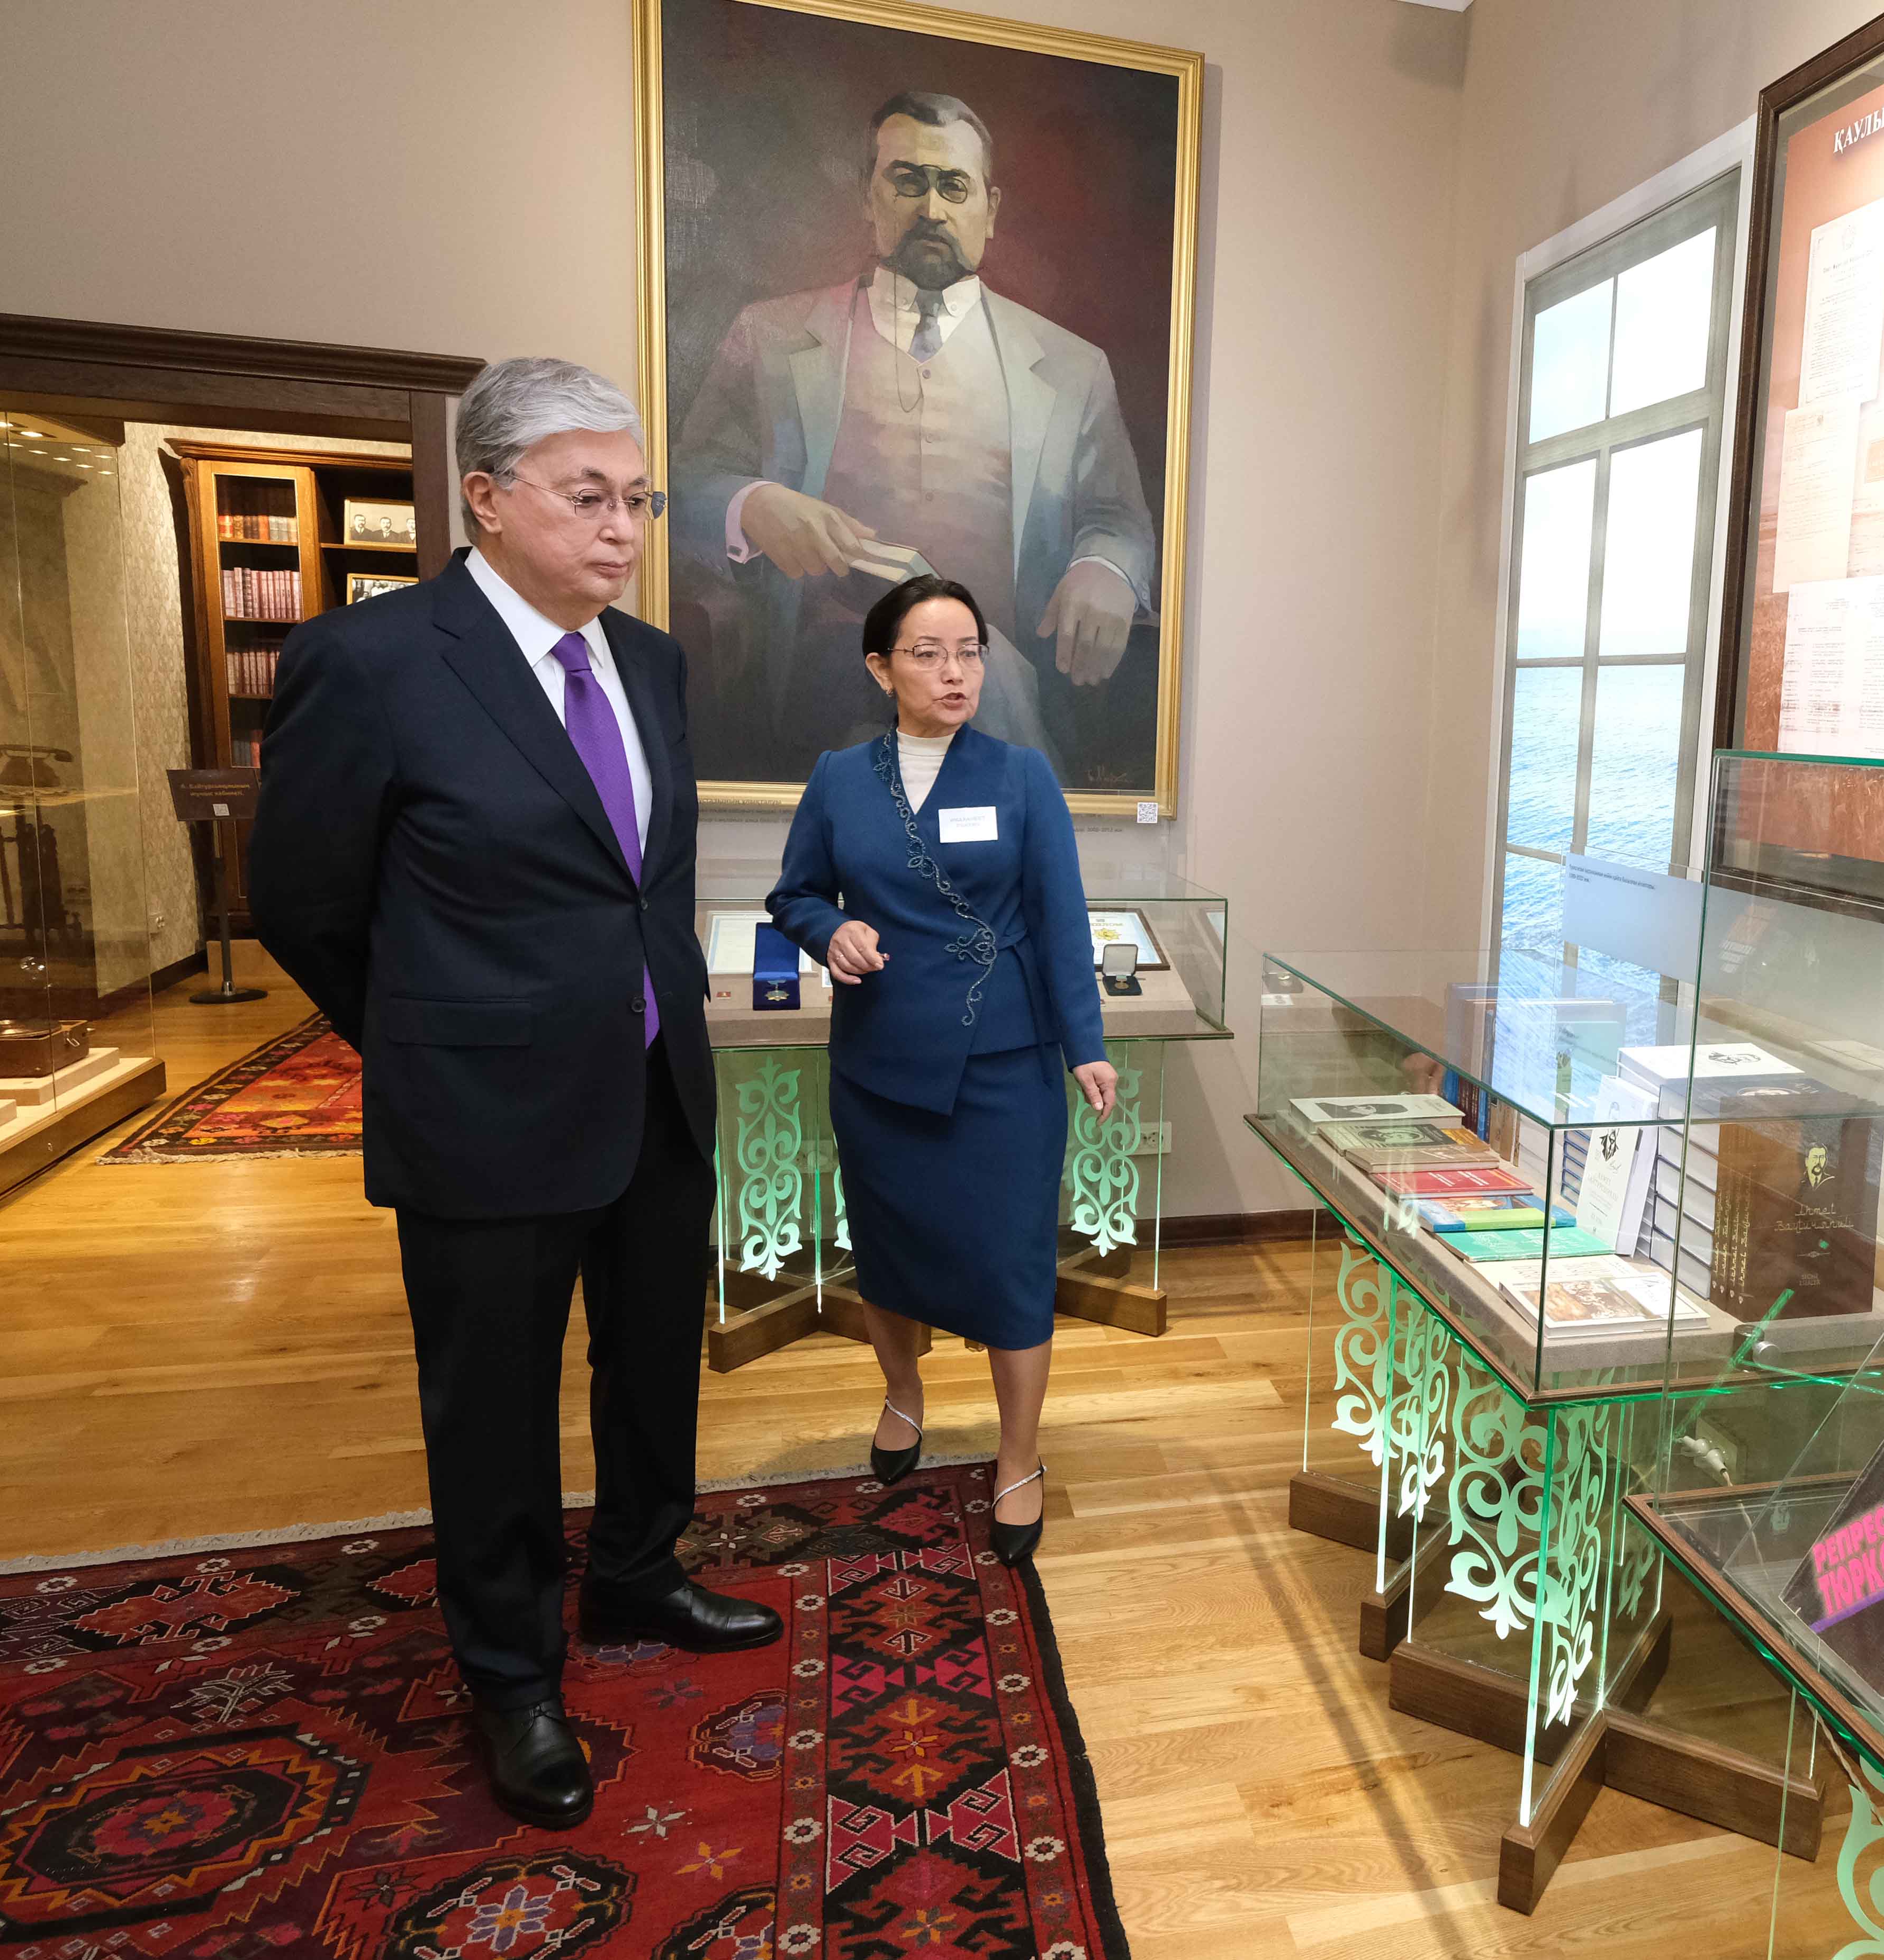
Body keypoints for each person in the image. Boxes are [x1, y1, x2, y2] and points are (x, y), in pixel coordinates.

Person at [251, 357, 778, 1831]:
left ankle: (640, 1571)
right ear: (483, 497)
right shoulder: (372, 660)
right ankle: (510, 1673)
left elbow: (642, 884)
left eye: (639, 501)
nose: (622, 530)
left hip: (654, 1080)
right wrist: (430, 1037)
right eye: (587, 497)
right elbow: (300, 899)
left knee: (654, 1355)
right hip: (481, 1109)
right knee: (491, 1406)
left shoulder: (653, 662)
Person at [767, 573, 1115, 1566]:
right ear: (881, 668)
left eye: (969, 651)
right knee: (890, 1247)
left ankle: (1019, 1456)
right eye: (928, 653)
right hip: (881, 1061)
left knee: (1012, 1261)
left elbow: (1060, 921)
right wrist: (830, 931)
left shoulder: (1021, 776)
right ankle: (903, 1394)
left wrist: (1085, 1045)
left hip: (1004, 1064)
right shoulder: (840, 778)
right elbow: (794, 895)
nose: (955, 671)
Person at [674, 89, 1157, 784]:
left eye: (954, 186)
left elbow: (1119, 520)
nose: (932, 209)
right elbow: (680, 486)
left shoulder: (1073, 367)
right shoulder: (770, 336)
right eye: (907, 181)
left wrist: (1105, 569)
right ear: (867, 198)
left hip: (1009, 681)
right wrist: (750, 503)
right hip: (824, 683)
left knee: (999, 698)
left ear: (991, 209)